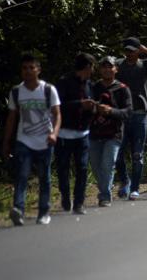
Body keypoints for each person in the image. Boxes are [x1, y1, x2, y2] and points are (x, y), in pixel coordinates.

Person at [3, 55, 61, 226]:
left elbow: (57, 115)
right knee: (21, 175)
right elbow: (12, 118)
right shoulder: (16, 91)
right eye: (24, 68)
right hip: (24, 140)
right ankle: (18, 210)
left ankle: (44, 212)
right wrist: (6, 142)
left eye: (31, 67)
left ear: (38, 70)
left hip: (45, 140)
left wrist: (54, 134)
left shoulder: (48, 90)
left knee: (45, 177)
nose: (28, 71)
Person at [115, 37, 147, 201]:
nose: (130, 53)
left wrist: (145, 50)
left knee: (137, 154)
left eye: (133, 50)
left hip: (140, 114)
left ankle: (135, 188)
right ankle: (125, 181)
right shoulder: (118, 64)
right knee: (118, 153)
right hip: (122, 114)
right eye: (127, 50)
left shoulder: (144, 64)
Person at [54, 53, 95, 215]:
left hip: (83, 134)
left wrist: (93, 108)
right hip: (64, 133)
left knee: (82, 168)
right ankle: (65, 196)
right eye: (92, 67)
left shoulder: (90, 85)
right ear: (87, 67)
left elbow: (92, 104)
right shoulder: (64, 83)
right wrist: (79, 104)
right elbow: (57, 107)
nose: (93, 71)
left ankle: (79, 202)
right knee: (63, 168)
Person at [89, 56, 133, 207]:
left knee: (108, 164)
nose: (107, 69)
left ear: (116, 69)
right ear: (99, 69)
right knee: (96, 166)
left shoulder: (122, 89)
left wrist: (111, 111)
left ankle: (105, 196)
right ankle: (105, 189)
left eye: (110, 66)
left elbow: (127, 112)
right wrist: (95, 108)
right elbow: (85, 108)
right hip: (94, 133)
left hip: (114, 134)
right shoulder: (93, 88)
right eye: (104, 66)